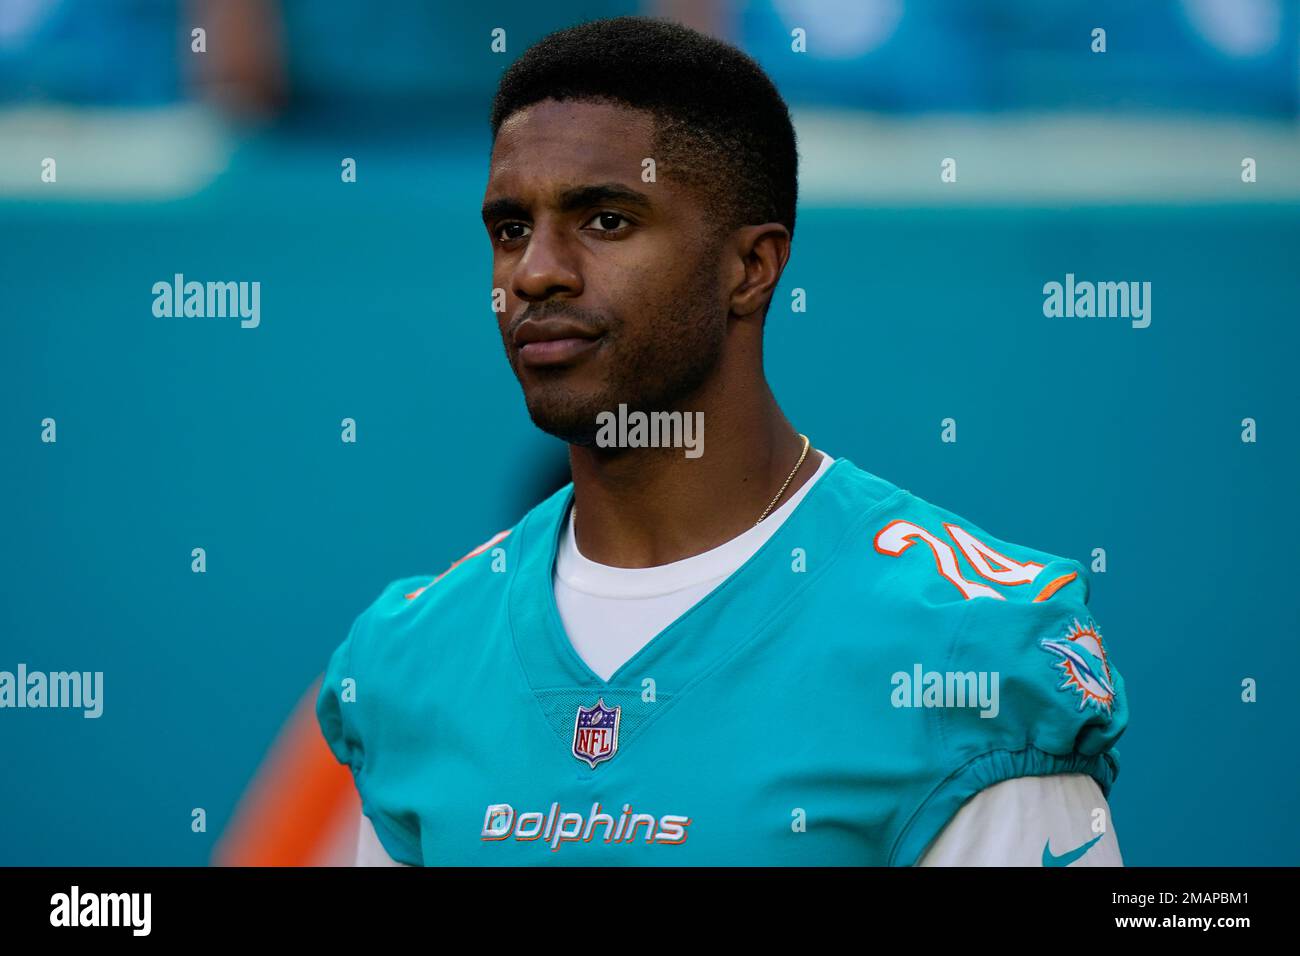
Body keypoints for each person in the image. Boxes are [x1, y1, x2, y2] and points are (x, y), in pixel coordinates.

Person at [318, 15, 1128, 866]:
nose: (535, 271)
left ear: (752, 268)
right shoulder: (416, 655)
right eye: (511, 229)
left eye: (606, 220)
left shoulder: (960, 648)